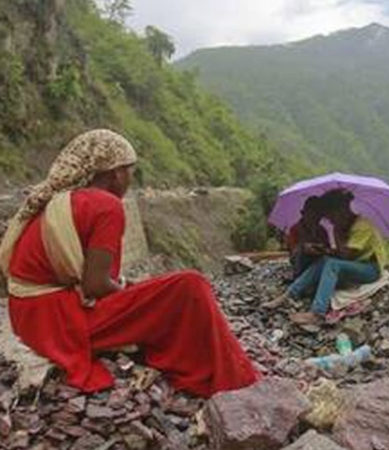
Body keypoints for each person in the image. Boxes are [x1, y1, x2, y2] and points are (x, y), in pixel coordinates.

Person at [0, 129, 259, 397]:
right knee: (191, 285)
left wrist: (130, 290)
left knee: (159, 291)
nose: (130, 179)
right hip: (58, 325)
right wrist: (129, 293)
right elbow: (95, 286)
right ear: (116, 173)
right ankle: (237, 378)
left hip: (27, 317)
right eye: (130, 171)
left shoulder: (58, 202)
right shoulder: (106, 205)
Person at [265, 189, 386, 324]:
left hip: (370, 268)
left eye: (332, 217)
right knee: (324, 260)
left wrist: (338, 233)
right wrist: (326, 250)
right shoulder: (300, 228)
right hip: (353, 265)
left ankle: (317, 312)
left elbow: (346, 255)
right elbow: (340, 254)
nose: (332, 222)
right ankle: (289, 294)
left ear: (342, 210)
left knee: (331, 264)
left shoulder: (362, 225)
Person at [285, 196, 330, 278]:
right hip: (301, 260)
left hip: (319, 260)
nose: (315, 218)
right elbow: (293, 250)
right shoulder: (295, 229)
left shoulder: (322, 231)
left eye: (318, 215)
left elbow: (328, 248)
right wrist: (305, 247)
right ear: (304, 213)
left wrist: (322, 249)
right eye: (312, 214)